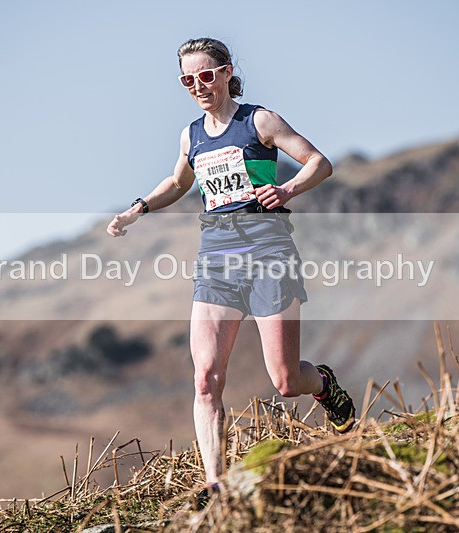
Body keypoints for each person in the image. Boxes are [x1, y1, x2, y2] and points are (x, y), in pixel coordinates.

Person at [107, 37, 355, 496]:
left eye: (206, 75)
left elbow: (319, 163)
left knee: (284, 381)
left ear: (225, 73)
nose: (198, 86)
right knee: (205, 378)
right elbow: (179, 182)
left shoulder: (259, 120)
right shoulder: (191, 135)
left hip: (268, 255)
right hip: (217, 261)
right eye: (187, 80)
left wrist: (287, 190)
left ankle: (324, 384)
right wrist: (137, 208)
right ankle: (215, 484)